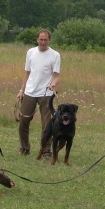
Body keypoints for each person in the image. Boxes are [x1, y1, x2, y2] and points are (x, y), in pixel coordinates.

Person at [16, 29, 60, 159]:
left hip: (46, 93)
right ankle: (24, 149)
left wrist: (53, 84)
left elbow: (56, 76)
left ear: (49, 40)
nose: (43, 42)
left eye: (45, 40)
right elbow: (27, 73)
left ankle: (46, 152)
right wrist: (21, 91)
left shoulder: (55, 55)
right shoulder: (30, 52)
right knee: (23, 121)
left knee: (47, 124)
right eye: (41, 39)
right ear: (37, 39)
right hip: (30, 91)